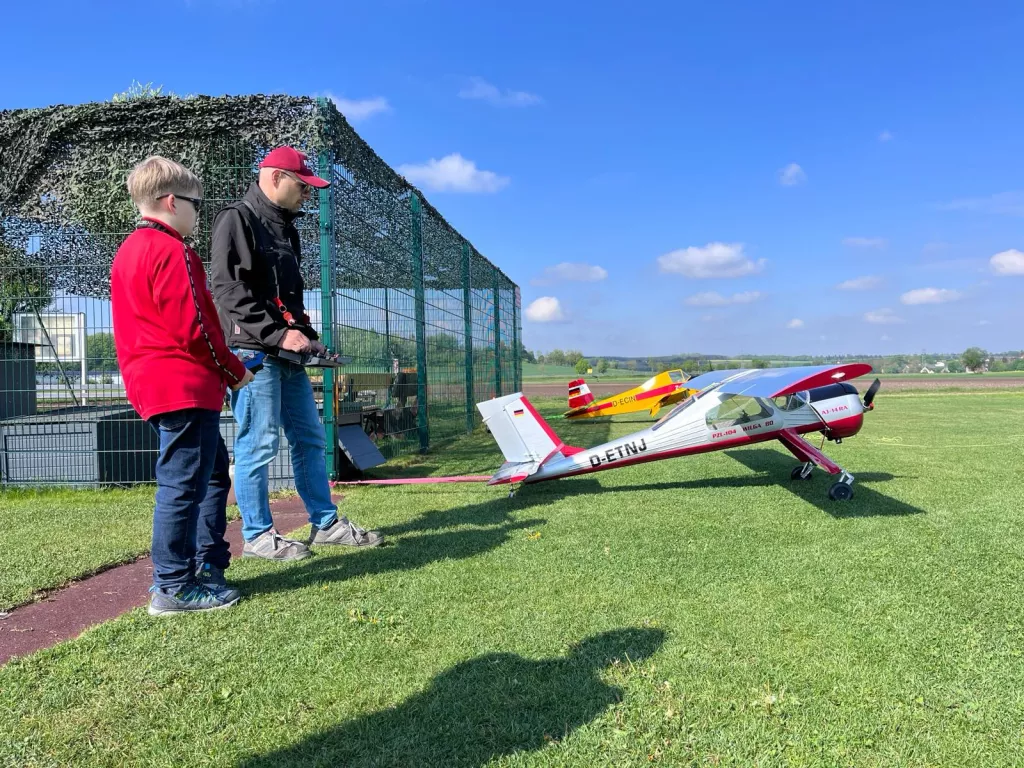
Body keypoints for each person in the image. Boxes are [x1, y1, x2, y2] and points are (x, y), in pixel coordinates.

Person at [210, 146, 383, 560]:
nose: (308, 195)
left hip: (285, 355)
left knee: (309, 438)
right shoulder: (236, 218)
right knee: (259, 442)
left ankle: (325, 524)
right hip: (254, 353)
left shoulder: (286, 227)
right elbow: (229, 290)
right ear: (274, 178)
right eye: (303, 186)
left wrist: (309, 338)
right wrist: (276, 335)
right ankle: (257, 535)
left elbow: (287, 299)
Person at [111, 156, 255, 615]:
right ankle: (174, 584)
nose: (199, 212)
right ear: (171, 202)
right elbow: (194, 326)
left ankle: (205, 563)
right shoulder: (173, 250)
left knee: (211, 470)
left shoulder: (129, 251)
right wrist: (234, 369)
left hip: (153, 384)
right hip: (183, 384)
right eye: (195, 203)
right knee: (183, 482)